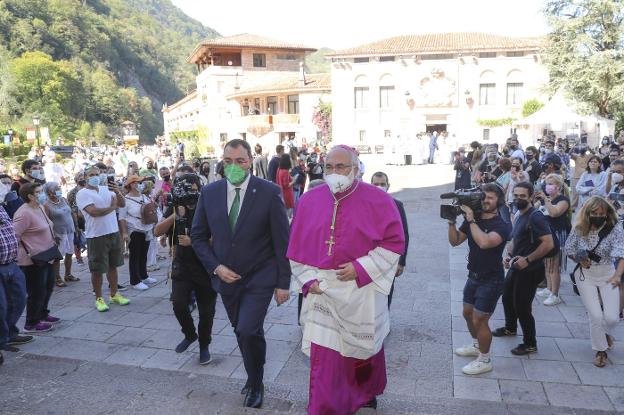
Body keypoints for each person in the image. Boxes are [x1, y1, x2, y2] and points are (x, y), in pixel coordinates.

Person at [288, 145, 405, 414]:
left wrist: (361, 268)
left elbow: (394, 243)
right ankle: (325, 407)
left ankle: (363, 393)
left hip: (359, 290)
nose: (334, 172)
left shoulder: (379, 200)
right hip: (323, 289)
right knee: (325, 359)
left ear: (355, 168)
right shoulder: (309, 200)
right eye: (329, 167)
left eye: (341, 167)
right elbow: (295, 247)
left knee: (362, 351)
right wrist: (307, 280)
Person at [191, 139, 291, 409]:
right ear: (222, 162)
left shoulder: (268, 192)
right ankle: (253, 373)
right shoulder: (210, 193)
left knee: (248, 329)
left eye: (240, 161)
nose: (234, 166)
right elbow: (198, 237)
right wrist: (216, 266)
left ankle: (256, 383)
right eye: (228, 161)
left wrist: (283, 283)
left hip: (260, 276)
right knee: (241, 330)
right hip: (226, 278)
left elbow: (282, 241)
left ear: (250, 161)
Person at [154, 173, 217, 365]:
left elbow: (221, 239)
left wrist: (196, 242)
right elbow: (157, 231)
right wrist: (175, 214)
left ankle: (204, 346)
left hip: (206, 267)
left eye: (193, 189)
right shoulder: (175, 206)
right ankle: (190, 334)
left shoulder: (209, 207)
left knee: (206, 313)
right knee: (179, 304)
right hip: (182, 265)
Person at [448, 183, 511, 375]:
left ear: (498, 201)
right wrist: (451, 222)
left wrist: (471, 220)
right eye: (483, 197)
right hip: (473, 275)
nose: (485, 200)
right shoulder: (473, 220)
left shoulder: (502, 225)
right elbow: (455, 241)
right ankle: (476, 345)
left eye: (490, 197)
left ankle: (485, 359)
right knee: (468, 313)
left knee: (480, 319)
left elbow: (484, 243)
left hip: (492, 279)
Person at [493, 182, 554, 355]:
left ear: (531, 197)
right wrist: (509, 256)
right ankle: (510, 328)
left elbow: (548, 243)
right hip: (516, 265)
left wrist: (528, 259)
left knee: (522, 306)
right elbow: (516, 239)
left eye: (522, 196)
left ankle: (530, 343)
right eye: (516, 195)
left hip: (530, 269)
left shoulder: (536, 216)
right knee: (506, 297)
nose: (518, 199)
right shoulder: (519, 214)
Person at [565, 196, 624, 367]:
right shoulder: (579, 227)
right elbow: (569, 249)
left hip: (608, 273)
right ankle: (601, 351)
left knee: (612, 318)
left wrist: (618, 276)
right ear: (588, 213)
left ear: (607, 214)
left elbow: (621, 254)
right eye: (594, 213)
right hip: (586, 275)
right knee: (596, 315)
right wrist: (579, 259)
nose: (598, 216)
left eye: (602, 213)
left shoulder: (615, 228)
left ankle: (604, 334)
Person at [76, 166, 130, 312]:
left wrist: (118, 191)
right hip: (96, 235)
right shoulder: (82, 193)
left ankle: (114, 294)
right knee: (97, 269)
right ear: (85, 177)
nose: (95, 177)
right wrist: (113, 207)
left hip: (112, 231)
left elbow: (123, 204)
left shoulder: (107, 189)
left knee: (113, 265)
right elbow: (93, 212)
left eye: (97, 174)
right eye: (91, 174)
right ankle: (99, 298)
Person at [14, 183, 60, 333]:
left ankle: (42, 314)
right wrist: (29, 249)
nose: (42, 194)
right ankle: (31, 323)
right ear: (30, 196)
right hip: (33, 259)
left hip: (47, 254)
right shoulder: (23, 213)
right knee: (36, 291)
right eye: (38, 192)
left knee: (48, 287)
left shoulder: (39, 207)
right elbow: (15, 236)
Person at [370, 172, 409, 308]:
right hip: (368, 257)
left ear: (388, 186)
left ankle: (383, 321)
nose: (379, 187)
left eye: (382, 184)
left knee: (386, 290)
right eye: (375, 184)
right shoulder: (364, 205)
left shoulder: (397, 205)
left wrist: (401, 261)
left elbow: (404, 233)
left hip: (389, 258)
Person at [0, 203, 31, 364]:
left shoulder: (1, 207)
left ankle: (10, 334)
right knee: (1, 306)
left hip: (11, 263)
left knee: (20, 299)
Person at [534, 174, 570, 306]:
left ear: (558, 186)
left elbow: (555, 213)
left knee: (554, 266)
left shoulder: (563, 200)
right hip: (546, 234)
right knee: (547, 264)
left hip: (557, 234)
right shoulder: (546, 199)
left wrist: (546, 200)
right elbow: (534, 208)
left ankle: (555, 294)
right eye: (547, 183)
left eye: (551, 184)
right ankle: (549, 288)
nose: (548, 186)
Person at [118, 175, 157, 290]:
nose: (141, 184)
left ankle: (144, 276)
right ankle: (135, 281)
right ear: (131, 184)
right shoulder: (125, 200)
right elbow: (122, 218)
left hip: (147, 228)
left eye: (142, 182)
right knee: (135, 255)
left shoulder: (144, 196)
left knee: (144, 254)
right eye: (138, 182)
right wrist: (125, 233)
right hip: (134, 230)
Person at [42, 182, 79, 287]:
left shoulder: (63, 199)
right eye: (57, 188)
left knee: (70, 253)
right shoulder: (46, 205)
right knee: (57, 257)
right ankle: (57, 277)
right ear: (50, 192)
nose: (59, 190)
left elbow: (71, 213)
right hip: (58, 233)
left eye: (59, 188)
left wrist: (76, 227)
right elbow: (47, 221)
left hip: (70, 230)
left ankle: (68, 274)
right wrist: (52, 236)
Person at [67, 172, 86, 265]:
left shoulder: (88, 190)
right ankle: (79, 258)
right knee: (77, 237)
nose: (82, 178)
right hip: (77, 217)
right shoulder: (72, 192)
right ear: (76, 180)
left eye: (83, 176)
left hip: (87, 216)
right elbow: (70, 206)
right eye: (79, 177)